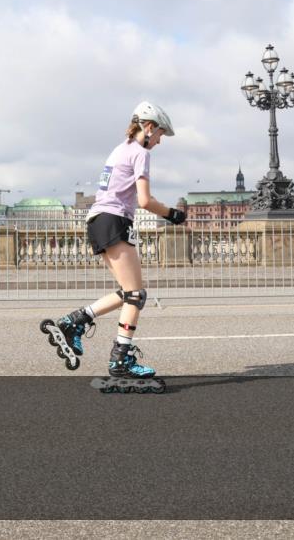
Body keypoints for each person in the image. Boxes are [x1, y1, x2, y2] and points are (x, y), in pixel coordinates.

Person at [44, 102, 185, 380]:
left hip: (98, 220)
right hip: (114, 219)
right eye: (160, 135)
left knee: (126, 292)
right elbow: (144, 200)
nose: (159, 141)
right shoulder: (140, 153)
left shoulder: (119, 149)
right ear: (149, 127)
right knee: (136, 295)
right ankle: (120, 359)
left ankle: (74, 322)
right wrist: (173, 214)